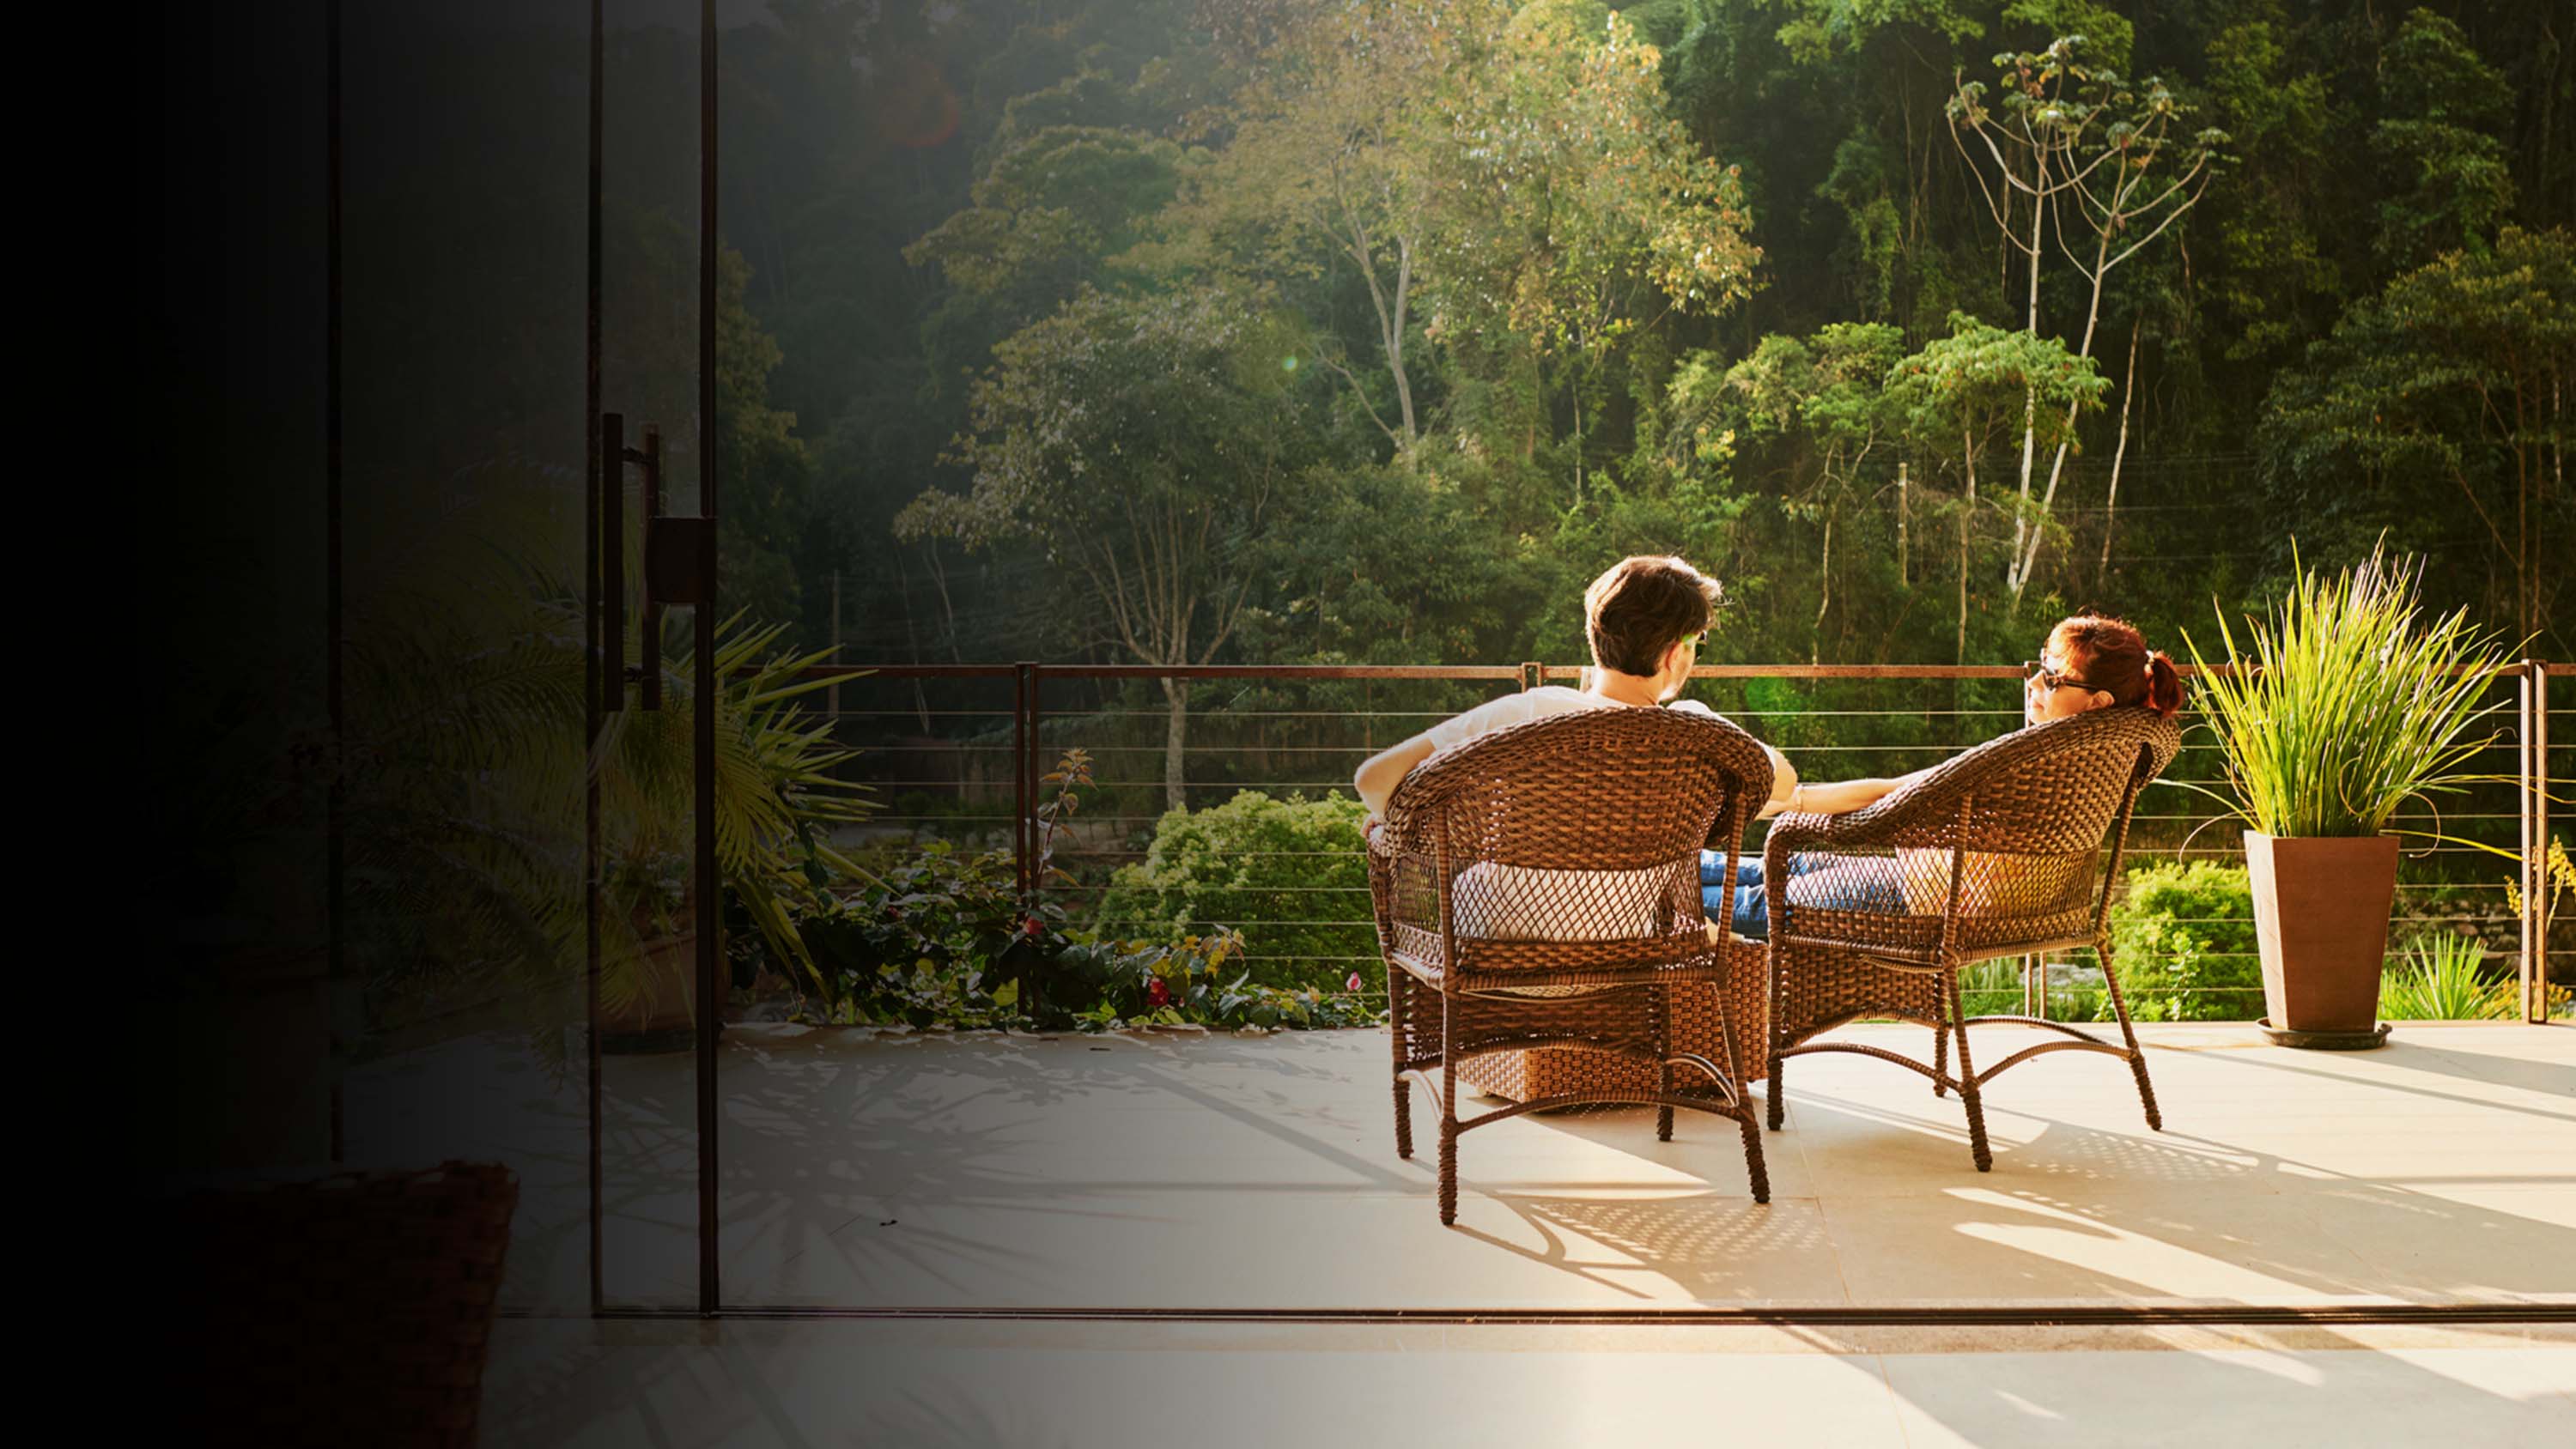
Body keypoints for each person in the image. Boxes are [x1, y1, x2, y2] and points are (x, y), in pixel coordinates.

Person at [1708, 613, 2187, 940]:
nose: (2035, 684)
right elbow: (1903, 789)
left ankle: (1644, 884)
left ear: (2099, 702)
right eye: (2040, 668)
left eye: (2055, 679)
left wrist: (1787, 804)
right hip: (1946, 882)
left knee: (1757, 901)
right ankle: (1656, 872)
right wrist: (1784, 802)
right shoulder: (2105, 748)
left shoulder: (2028, 760)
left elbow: (1896, 793)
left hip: (1942, 900)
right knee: (1768, 870)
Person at [1352, 555, 1797, 823]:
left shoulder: (1532, 713)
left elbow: (1373, 782)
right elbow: (1782, 781)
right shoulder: (1696, 731)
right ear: (1670, 656)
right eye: (1695, 643)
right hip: (1632, 944)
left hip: (1491, 947)